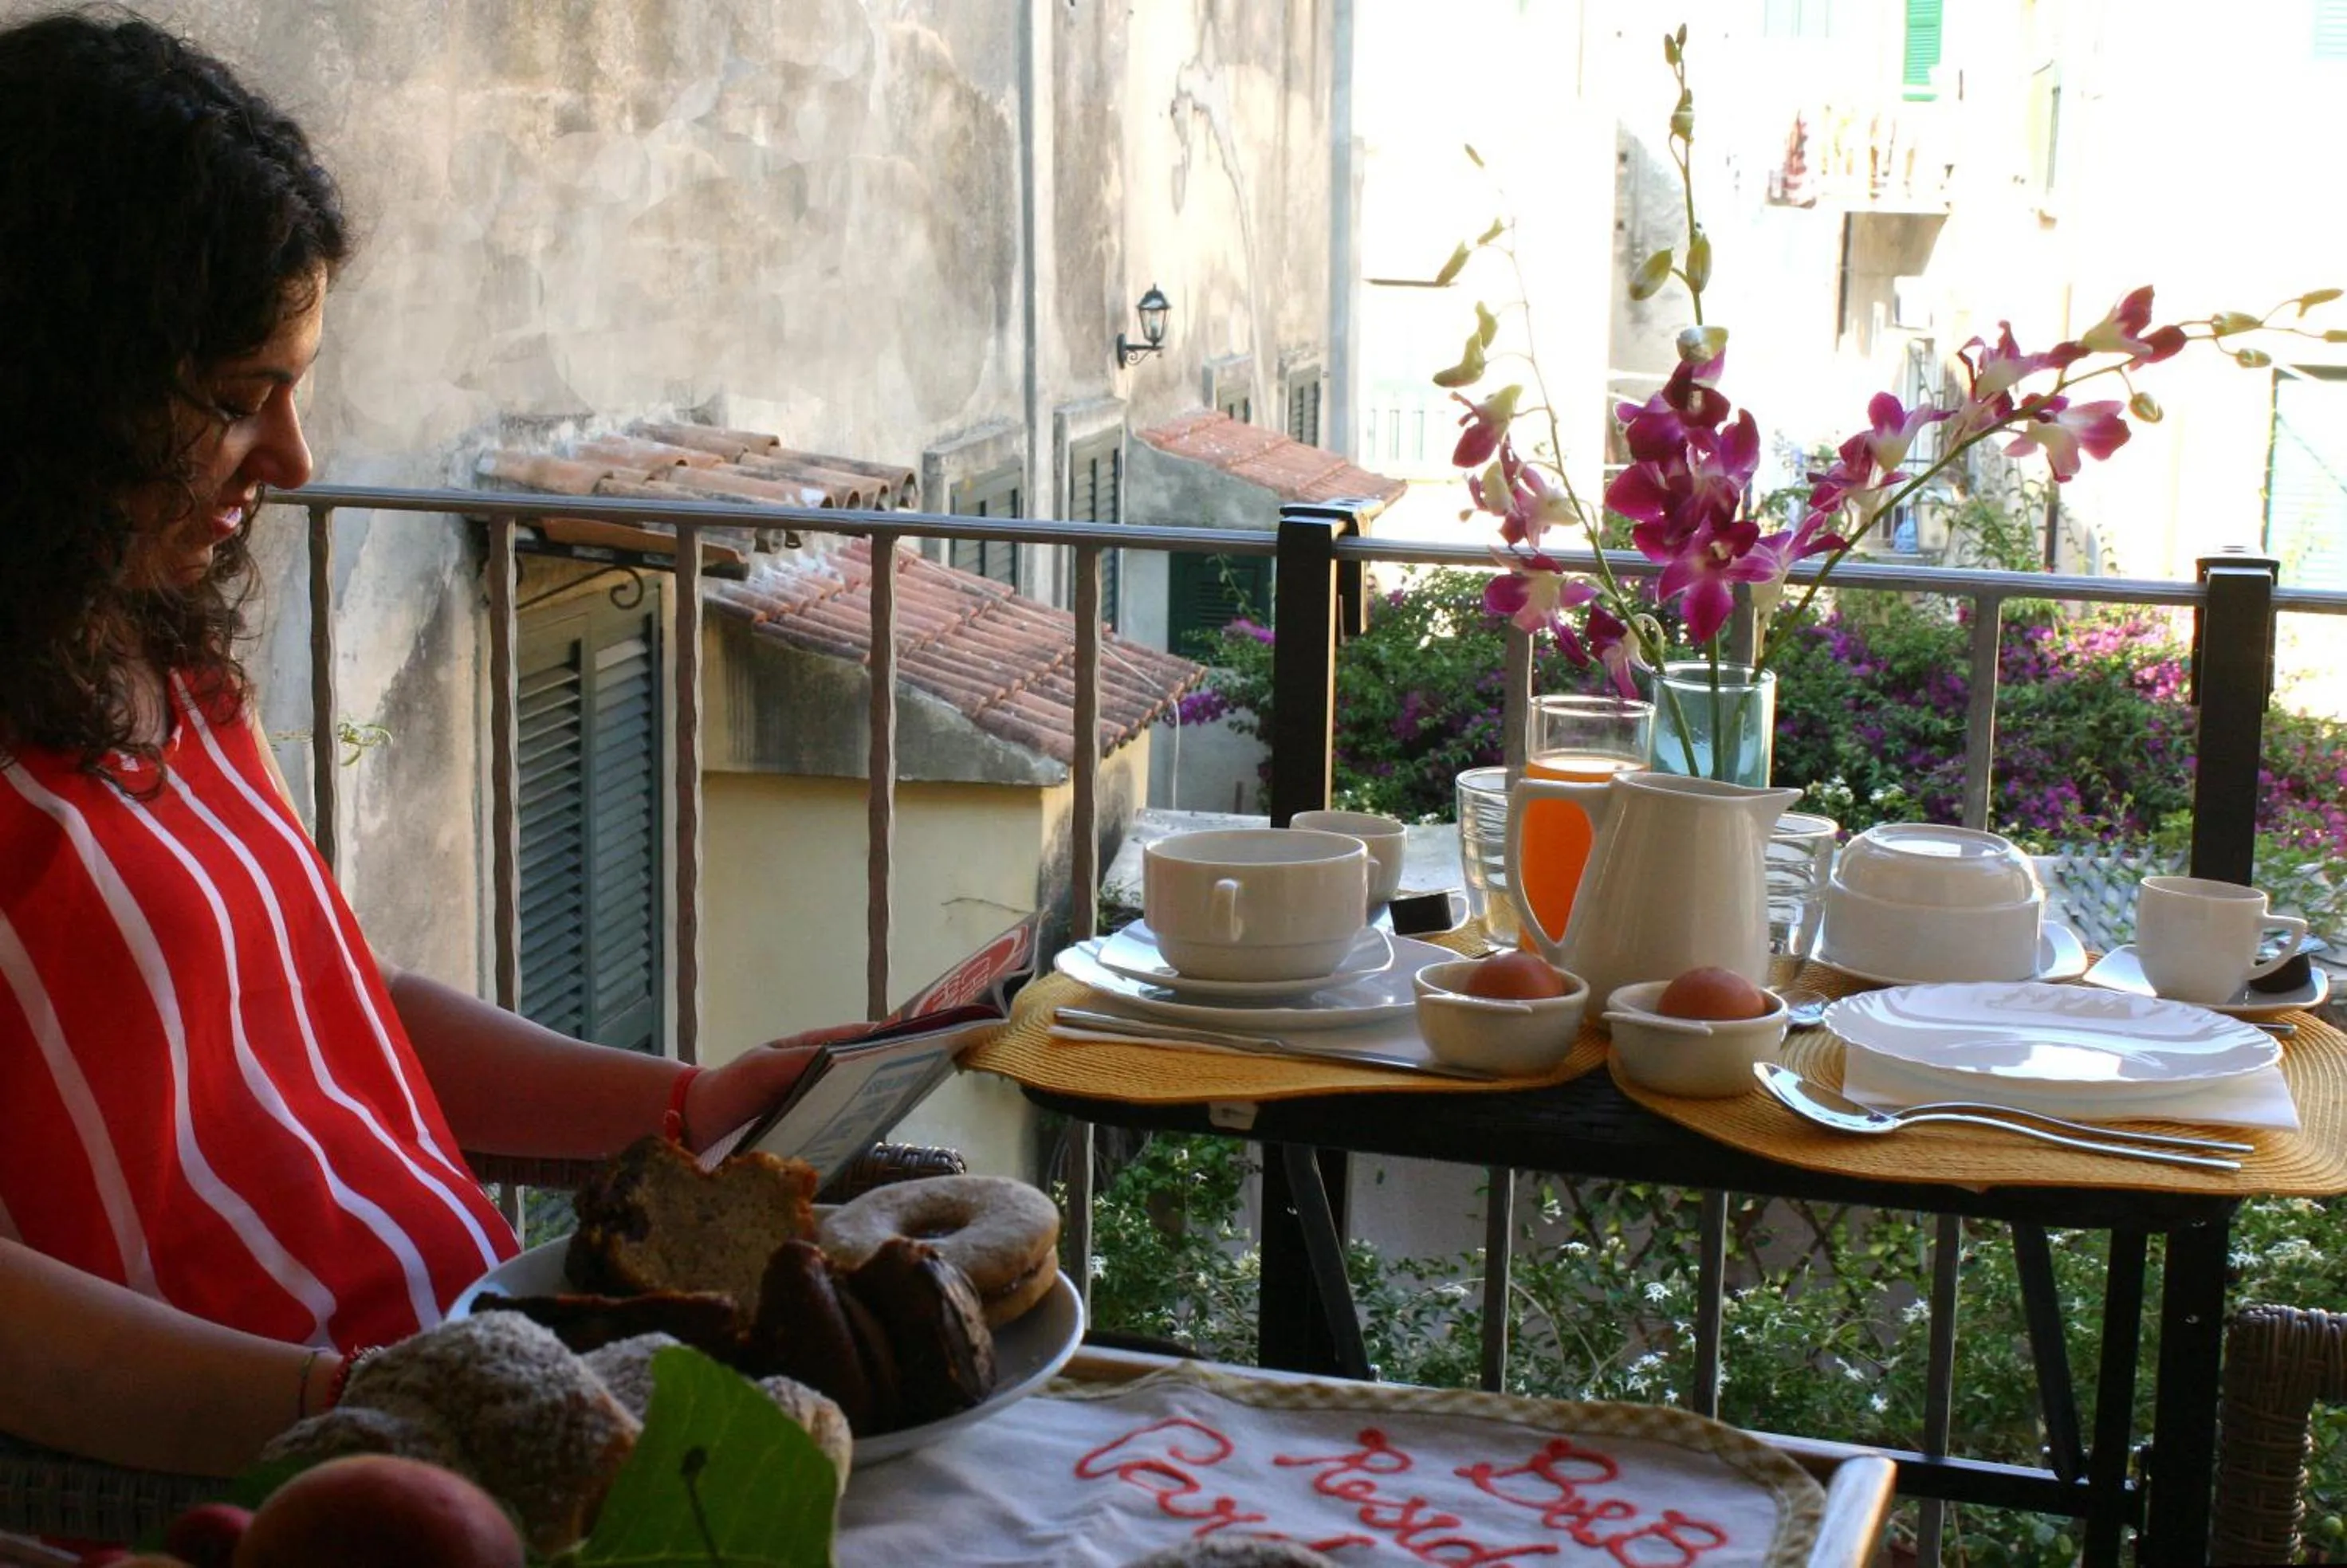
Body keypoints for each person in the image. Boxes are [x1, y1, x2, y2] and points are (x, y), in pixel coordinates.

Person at [0, 11, 839, 1482]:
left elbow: (338, 1006)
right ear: (57, 390)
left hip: (486, 1382)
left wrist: (685, 1106)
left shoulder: (157, 653)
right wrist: (358, 1408)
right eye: (235, 399)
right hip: (286, 1488)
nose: (295, 460)